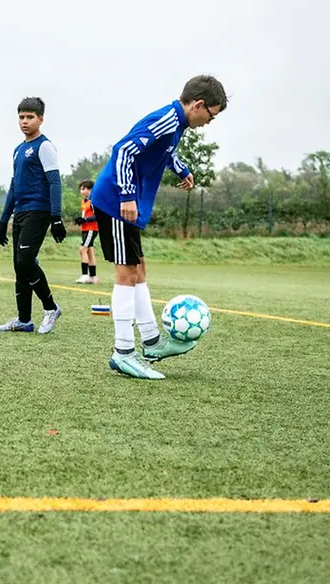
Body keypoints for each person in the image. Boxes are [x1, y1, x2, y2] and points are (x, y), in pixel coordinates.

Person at [92, 74, 227, 379]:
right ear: (199, 105)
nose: (209, 121)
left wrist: (180, 168)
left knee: (138, 267)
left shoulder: (176, 124)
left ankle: (152, 341)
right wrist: (127, 195)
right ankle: (123, 352)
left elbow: (162, 151)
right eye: (211, 115)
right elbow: (124, 150)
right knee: (126, 273)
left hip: (128, 203)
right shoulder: (167, 118)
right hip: (116, 201)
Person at [0, 97, 66, 334]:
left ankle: (50, 307)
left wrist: (56, 217)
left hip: (39, 210)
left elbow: (55, 182)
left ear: (41, 119)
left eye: (30, 117)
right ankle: (24, 320)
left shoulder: (44, 146)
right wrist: (4, 219)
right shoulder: (18, 150)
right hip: (21, 211)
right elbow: (14, 185)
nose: (24, 122)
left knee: (26, 261)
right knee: (19, 266)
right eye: (21, 117)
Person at [73, 179, 98, 283]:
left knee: (83, 249)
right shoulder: (84, 202)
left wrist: (86, 220)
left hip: (91, 229)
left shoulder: (94, 201)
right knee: (90, 251)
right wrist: (80, 220)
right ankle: (93, 277)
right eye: (81, 189)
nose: (81, 191)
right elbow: (86, 215)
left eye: (83, 189)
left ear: (90, 189)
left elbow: (98, 216)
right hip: (85, 228)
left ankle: (85, 275)